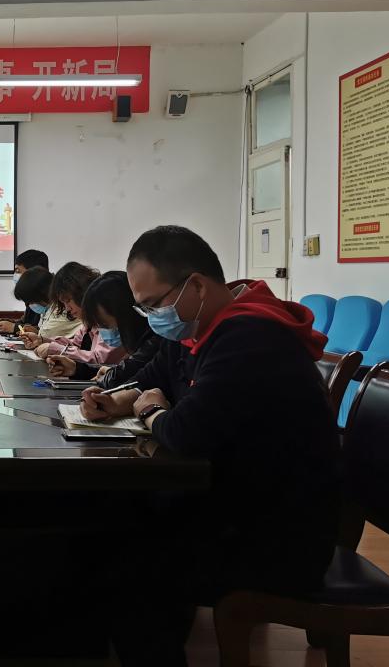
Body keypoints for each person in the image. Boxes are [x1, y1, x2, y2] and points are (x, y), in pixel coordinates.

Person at [80, 225, 338, 665]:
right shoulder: (198, 327)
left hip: (275, 537)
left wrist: (150, 410)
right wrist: (117, 401)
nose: (151, 317)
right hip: (231, 505)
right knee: (112, 524)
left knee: (128, 568)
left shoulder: (250, 336)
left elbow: (185, 434)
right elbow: (152, 380)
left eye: (153, 305)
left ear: (196, 286)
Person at [47, 270, 161, 387]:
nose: (102, 330)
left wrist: (108, 376)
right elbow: (123, 371)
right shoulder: (140, 342)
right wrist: (76, 368)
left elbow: (128, 374)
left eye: (105, 324)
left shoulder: (154, 342)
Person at [22, 263, 125, 368]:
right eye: (63, 303)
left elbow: (100, 359)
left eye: (68, 301)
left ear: (81, 294)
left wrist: (58, 350)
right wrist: (42, 340)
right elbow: (76, 343)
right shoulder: (89, 321)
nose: (67, 308)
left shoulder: (109, 318)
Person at [0, 249, 49, 334]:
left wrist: (13, 327)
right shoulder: (32, 294)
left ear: (32, 271)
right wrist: (2, 322)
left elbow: (45, 332)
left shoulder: (49, 296)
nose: (15, 275)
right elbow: (25, 322)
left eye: (18, 271)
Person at [12, 266, 81, 339]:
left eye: (30, 302)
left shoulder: (63, 309)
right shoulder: (49, 308)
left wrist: (38, 334)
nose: (29, 305)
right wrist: (36, 332)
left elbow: (47, 334)